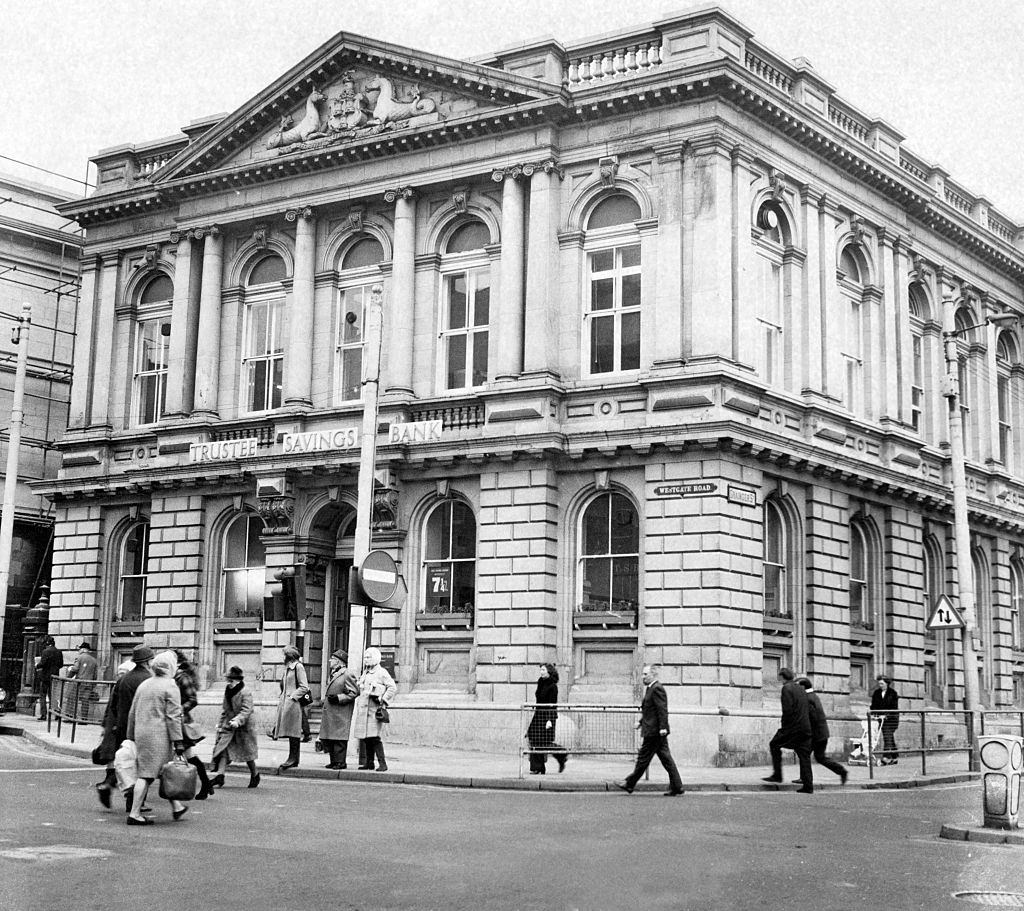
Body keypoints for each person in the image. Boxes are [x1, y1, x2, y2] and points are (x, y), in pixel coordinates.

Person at [125, 650, 187, 825]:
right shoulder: (170, 686)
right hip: (159, 736)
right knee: (146, 775)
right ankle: (134, 813)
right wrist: (178, 741)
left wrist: (130, 735)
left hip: (142, 733)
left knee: (160, 771)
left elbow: (132, 712)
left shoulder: (145, 684)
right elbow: (173, 716)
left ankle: (177, 807)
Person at [97, 644, 153, 811]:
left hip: (122, 726)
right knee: (142, 766)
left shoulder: (124, 679)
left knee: (128, 763)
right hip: (140, 727)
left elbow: (113, 706)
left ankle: (118, 791)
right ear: (148, 661)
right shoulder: (148, 679)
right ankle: (133, 802)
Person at [616, 665, 684, 796]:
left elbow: (661, 710)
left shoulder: (657, 688)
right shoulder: (651, 689)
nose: (643, 677)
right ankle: (677, 786)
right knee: (666, 759)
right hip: (654, 730)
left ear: (653, 675)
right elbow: (650, 711)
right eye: (642, 674)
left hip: (655, 732)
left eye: (645, 674)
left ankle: (629, 783)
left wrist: (663, 728)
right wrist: (641, 722)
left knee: (643, 758)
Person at [762, 667, 813, 793]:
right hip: (805, 726)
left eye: (779, 676)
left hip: (793, 727)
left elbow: (788, 710)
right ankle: (808, 786)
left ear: (781, 676)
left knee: (774, 744)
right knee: (803, 755)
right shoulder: (800, 688)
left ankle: (777, 775)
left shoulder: (787, 688)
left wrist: (784, 728)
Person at [210, 666, 260, 789]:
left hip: (244, 727)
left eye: (231, 681)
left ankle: (255, 774)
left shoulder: (245, 692)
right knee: (223, 749)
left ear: (238, 680)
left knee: (247, 753)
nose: (229, 683)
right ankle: (220, 776)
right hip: (230, 725)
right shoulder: (228, 690)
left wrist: (238, 721)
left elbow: (247, 710)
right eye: (228, 681)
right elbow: (225, 709)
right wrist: (221, 724)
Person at [93, 659, 134, 807]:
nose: (120, 676)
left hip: (112, 725)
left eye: (122, 673)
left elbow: (110, 706)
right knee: (126, 762)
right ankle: (110, 786)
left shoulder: (118, 685)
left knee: (113, 759)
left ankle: (107, 785)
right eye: (120, 673)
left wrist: (105, 726)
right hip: (120, 726)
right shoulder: (128, 685)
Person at [173, 650, 213, 800]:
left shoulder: (182, 678)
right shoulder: (173, 677)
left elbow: (193, 699)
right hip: (174, 721)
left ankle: (205, 784)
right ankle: (206, 784)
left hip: (180, 722)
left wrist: (181, 709)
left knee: (189, 755)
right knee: (187, 755)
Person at [795, 677, 847, 785]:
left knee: (807, 754)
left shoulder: (807, 699)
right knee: (813, 756)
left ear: (802, 687)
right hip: (821, 733)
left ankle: (806, 779)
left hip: (816, 734)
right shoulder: (813, 696)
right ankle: (841, 771)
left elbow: (812, 718)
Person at [352, 647, 396, 771]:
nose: (366, 660)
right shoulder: (366, 672)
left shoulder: (381, 672)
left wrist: (383, 699)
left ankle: (383, 764)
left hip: (374, 710)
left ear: (375, 658)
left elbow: (392, 687)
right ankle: (369, 762)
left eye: (368, 657)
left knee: (375, 738)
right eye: (365, 657)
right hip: (364, 710)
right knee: (366, 738)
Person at [526, 663, 568, 774]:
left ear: (549, 671)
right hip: (538, 714)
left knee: (542, 741)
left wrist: (549, 720)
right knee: (534, 738)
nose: (541, 672)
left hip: (547, 717)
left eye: (543, 670)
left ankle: (561, 753)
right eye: (540, 670)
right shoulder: (540, 682)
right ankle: (537, 768)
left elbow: (552, 704)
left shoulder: (553, 686)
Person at [273, 645, 310, 773]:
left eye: (284, 654)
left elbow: (304, 686)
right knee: (290, 731)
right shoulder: (287, 668)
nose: (282, 657)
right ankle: (293, 757)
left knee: (293, 731)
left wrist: (292, 697)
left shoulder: (298, 667)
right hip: (286, 704)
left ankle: (293, 758)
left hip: (293, 705)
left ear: (289, 655)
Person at [319, 649, 358, 770]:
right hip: (331, 711)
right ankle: (334, 761)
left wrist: (339, 698)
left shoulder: (347, 674)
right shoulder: (334, 673)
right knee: (331, 737)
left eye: (333, 659)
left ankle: (340, 762)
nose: (330, 661)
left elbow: (354, 692)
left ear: (339, 662)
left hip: (341, 712)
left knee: (339, 739)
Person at [870, 674, 900, 765]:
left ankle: (886, 757)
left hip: (891, 719)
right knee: (889, 736)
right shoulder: (876, 693)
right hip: (880, 719)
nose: (880, 685)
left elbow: (894, 707)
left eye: (882, 684)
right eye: (879, 683)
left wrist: (886, 715)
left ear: (887, 683)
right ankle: (894, 757)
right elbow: (873, 705)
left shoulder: (893, 693)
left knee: (887, 736)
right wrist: (873, 713)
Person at [66, 642, 99, 722]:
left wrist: (68, 677)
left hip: (79, 682)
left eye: (80, 649)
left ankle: (70, 717)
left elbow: (75, 669)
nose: (79, 650)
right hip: (89, 683)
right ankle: (84, 719)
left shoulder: (79, 657)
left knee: (72, 698)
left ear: (83, 649)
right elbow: (95, 675)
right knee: (85, 701)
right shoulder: (94, 660)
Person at [34, 636, 63, 720]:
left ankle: (44, 715)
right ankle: (57, 713)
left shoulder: (45, 651)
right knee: (53, 695)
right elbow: (61, 665)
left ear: (47, 643)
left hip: (45, 677)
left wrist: (37, 665)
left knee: (43, 695)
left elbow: (42, 663)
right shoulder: (59, 652)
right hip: (55, 677)